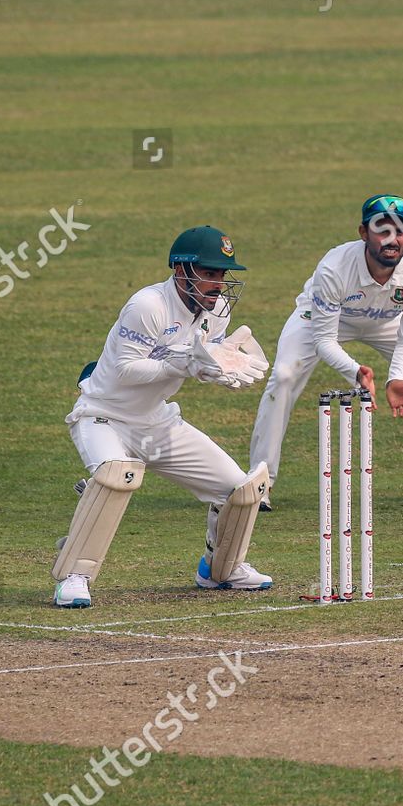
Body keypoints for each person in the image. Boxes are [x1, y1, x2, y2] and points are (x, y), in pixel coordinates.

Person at [53, 226, 272, 609]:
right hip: (104, 417)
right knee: (114, 478)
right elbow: (125, 369)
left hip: (158, 421)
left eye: (222, 274)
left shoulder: (216, 311)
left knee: (241, 490)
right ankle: (75, 577)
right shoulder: (148, 305)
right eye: (209, 272)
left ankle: (221, 570)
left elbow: (201, 358)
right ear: (181, 270)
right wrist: (186, 365)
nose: (218, 283)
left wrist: (217, 366)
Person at [249, 195, 403, 509]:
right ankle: (260, 482)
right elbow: (324, 341)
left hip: (387, 320)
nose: (391, 239)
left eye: (400, 230)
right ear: (363, 233)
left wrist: (396, 378)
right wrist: (356, 371)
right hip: (329, 318)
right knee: (284, 376)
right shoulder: (334, 268)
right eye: (382, 230)